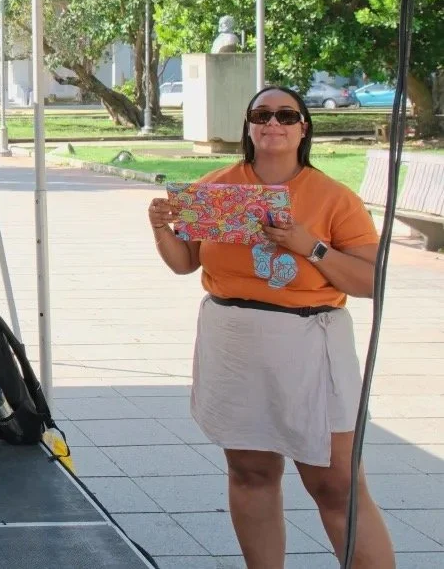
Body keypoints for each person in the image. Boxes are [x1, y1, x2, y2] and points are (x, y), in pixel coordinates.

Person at [147, 86, 395, 568]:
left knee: (335, 483)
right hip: (233, 340)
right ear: (249, 125)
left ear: (304, 127)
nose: (272, 123)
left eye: (286, 115)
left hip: (308, 342)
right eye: (261, 114)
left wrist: (310, 247)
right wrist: (161, 228)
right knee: (250, 471)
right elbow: (184, 263)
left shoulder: (333, 198)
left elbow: (372, 281)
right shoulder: (216, 189)